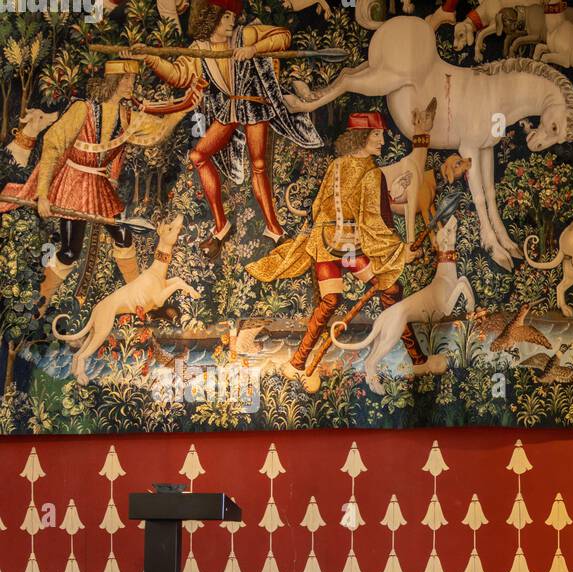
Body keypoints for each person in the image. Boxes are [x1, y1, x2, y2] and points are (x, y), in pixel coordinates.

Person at [247, 111, 421, 392]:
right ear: (362, 137)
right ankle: (417, 358)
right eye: (377, 134)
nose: (381, 140)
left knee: (330, 300)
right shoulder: (373, 173)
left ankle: (298, 362)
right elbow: (376, 220)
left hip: (326, 240)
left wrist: (386, 195)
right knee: (389, 290)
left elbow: (321, 207)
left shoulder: (338, 165)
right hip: (348, 246)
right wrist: (400, 250)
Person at [143, 0, 321, 259]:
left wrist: (253, 49)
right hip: (231, 108)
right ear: (210, 16)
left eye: (233, 16)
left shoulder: (243, 35)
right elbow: (180, 75)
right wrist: (149, 58)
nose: (232, 21)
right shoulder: (200, 48)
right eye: (226, 16)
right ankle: (221, 226)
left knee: (258, 164)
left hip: (254, 105)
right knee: (199, 155)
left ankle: (274, 229)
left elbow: (284, 36)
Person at [1, 59, 145, 313]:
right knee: (70, 252)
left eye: (132, 79)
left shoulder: (125, 113)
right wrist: (43, 194)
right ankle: (41, 303)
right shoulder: (83, 109)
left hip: (99, 185)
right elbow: (53, 146)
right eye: (126, 79)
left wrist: (112, 177)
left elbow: (119, 148)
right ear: (113, 82)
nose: (130, 85)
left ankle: (141, 302)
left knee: (124, 236)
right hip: (74, 184)